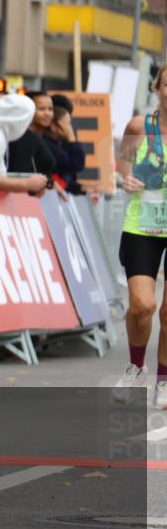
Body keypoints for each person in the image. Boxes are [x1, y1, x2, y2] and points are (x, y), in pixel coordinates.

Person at [113, 63, 167, 410]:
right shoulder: (139, 126)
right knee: (142, 305)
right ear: (157, 88)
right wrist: (126, 177)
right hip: (142, 227)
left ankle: (164, 381)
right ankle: (136, 367)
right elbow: (123, 160)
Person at [0, 93, 49, 194]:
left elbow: (0, 176)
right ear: (19, 119)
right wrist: (27, 184)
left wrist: (28, 186)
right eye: (27, 122)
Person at [43, 93, 85, 195]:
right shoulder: (47, 145)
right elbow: (76, 163)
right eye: (66, 123)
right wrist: (71, 138)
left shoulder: (58, 143)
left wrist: (81, 189)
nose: (69, 128)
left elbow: (66, 179)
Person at [7, 91, 56, 177]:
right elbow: (21, 174)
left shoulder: (41, 136)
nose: (47, 113)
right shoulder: (24, 138)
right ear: (28, 110)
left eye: (50, 109)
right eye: (41, 109)